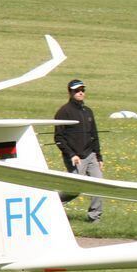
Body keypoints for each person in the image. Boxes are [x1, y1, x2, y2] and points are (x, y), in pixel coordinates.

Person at [54, 78, 104, 222]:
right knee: (75, 189)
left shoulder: (88, 111)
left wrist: (99, 157)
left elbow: (94, 135)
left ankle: (95, 217)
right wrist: (71, 155)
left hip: (91, 155)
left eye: (82, 90)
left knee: (99, 185)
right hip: (75, 157)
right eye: (77, 90)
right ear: (70, 92)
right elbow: (58, 138)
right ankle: (53, 202)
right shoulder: (63, 112)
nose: (80, 93)